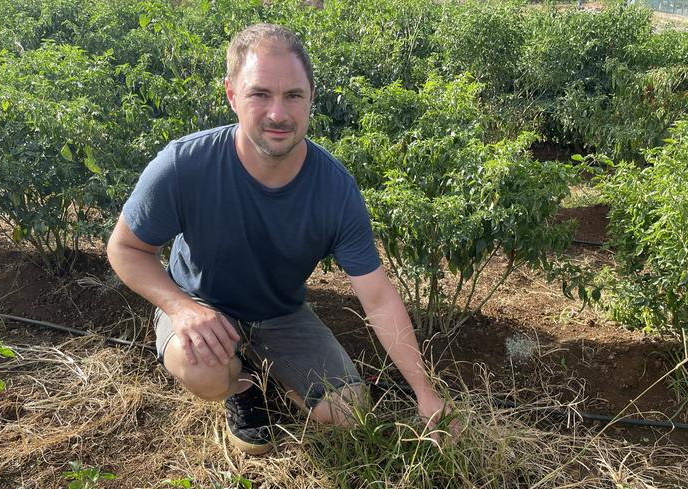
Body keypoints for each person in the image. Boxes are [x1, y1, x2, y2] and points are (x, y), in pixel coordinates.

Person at [106, 23, 452, 455]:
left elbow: (379, 298)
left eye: (293, 95)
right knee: (203, 368)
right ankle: (240, 385)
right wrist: (182, 308)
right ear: (232, 95)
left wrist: (424, 391)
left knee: (348, 413)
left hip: (281, 313)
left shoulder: (334, 191)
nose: (279, 113)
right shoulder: (184, 165)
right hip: (201, 303)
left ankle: (269, 368)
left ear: (311, 98)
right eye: (260, 94)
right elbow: (124, 248)